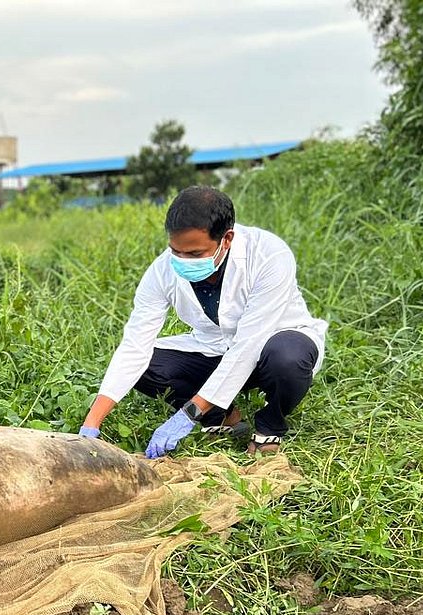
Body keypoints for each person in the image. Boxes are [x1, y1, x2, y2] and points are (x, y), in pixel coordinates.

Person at [78, 185, 327, 458]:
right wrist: (91, 425)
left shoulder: (269, 255)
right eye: (176, 251)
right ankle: (223, 415)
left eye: (195, 254)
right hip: (216, 348)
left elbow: (248, 345)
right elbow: (135, 345)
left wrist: (188, 415)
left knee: (288, 359)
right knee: (147, 365)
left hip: (274, 342)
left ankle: (270, 425)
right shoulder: (162, 271)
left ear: (227, 238)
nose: (183, 261)